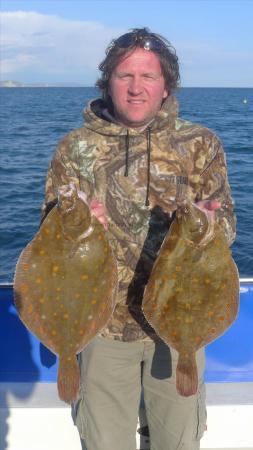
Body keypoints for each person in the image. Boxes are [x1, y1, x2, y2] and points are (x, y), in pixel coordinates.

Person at [42, 28, 236, 450]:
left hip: (179, 326)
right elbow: (48, 246)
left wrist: (206, 226)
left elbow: (229, 229)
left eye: (147, 77)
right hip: (101, 328)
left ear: (166, 85)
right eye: (124, 75)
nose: (135, 88)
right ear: (107, 82)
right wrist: (73, 222)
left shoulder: (201, 145)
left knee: (178, 442)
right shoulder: (74, 149)